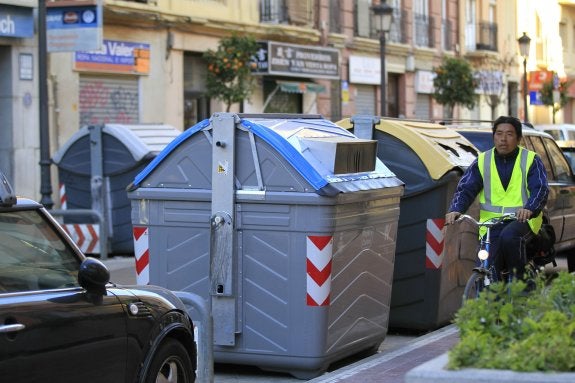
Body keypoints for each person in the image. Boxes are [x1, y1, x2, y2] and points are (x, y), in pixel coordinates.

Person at [445, 116, 549, 280]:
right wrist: (456, 209)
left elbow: (540, 188)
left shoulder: (531, 160)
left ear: (518, 138)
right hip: (491, 225)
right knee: (487, 266)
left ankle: (519, 285)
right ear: (493, 137)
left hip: (523, 221)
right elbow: (466, 188)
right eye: (499, 134)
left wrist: (530, 208)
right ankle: (488, 300)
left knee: (509, 237)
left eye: (509, 134)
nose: (503, 139)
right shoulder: (482, 160)